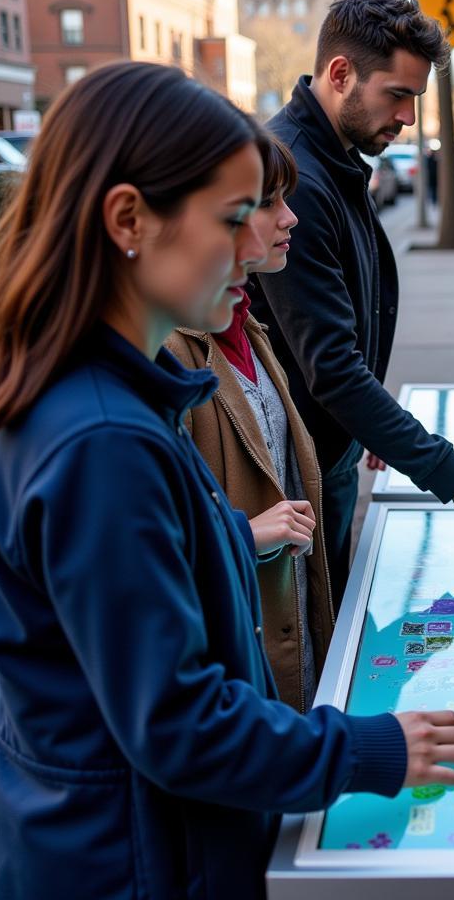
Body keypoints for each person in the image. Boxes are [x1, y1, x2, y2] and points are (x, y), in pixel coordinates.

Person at [0, 61, 454, 900]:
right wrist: (372, 749)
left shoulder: (92, 394)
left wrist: (232, 534)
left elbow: (126, 569)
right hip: (139, 861)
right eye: (232, 218)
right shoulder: (103, 438)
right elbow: (178, 724)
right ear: (129, 220)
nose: (258, 243)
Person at [254, 0, 454, 609]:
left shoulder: (334, 157)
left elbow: (346, 328)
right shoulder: (299, 176)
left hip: (328, 446)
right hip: (296, 466)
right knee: (317, 635)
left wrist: (372, 432)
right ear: (341, 74)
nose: (409, 117)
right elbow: (330, 367)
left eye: (415, 98)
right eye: (398, 95)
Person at [165, 136, 332, 714]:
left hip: (277, 635)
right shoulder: (161, 358)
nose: (289, 217)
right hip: (232, 669)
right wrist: (246, 533)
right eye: (260, 204)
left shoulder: (246, 325)